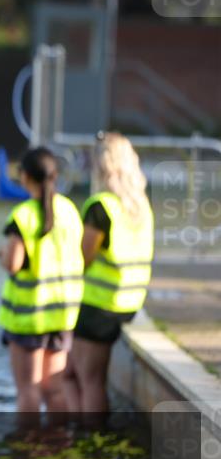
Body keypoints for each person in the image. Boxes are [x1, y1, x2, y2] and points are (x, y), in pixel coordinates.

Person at [63, 132, 154, 417]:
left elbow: (84, 257)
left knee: (83, 379)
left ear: (101, 165)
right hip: (129, 302)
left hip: (99, 305)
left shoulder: (100, 206)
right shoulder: (140, 206)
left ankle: (88, 443)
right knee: (85, 377)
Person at [0, 148, 83, 418]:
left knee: (28, 390)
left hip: (29, 317)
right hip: (62, 314)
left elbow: (13, 263)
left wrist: (2, 254)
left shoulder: (23, 215)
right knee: (54, 390)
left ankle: (28, 451)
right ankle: (58, 446)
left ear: (25, 177)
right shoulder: (69, 210)